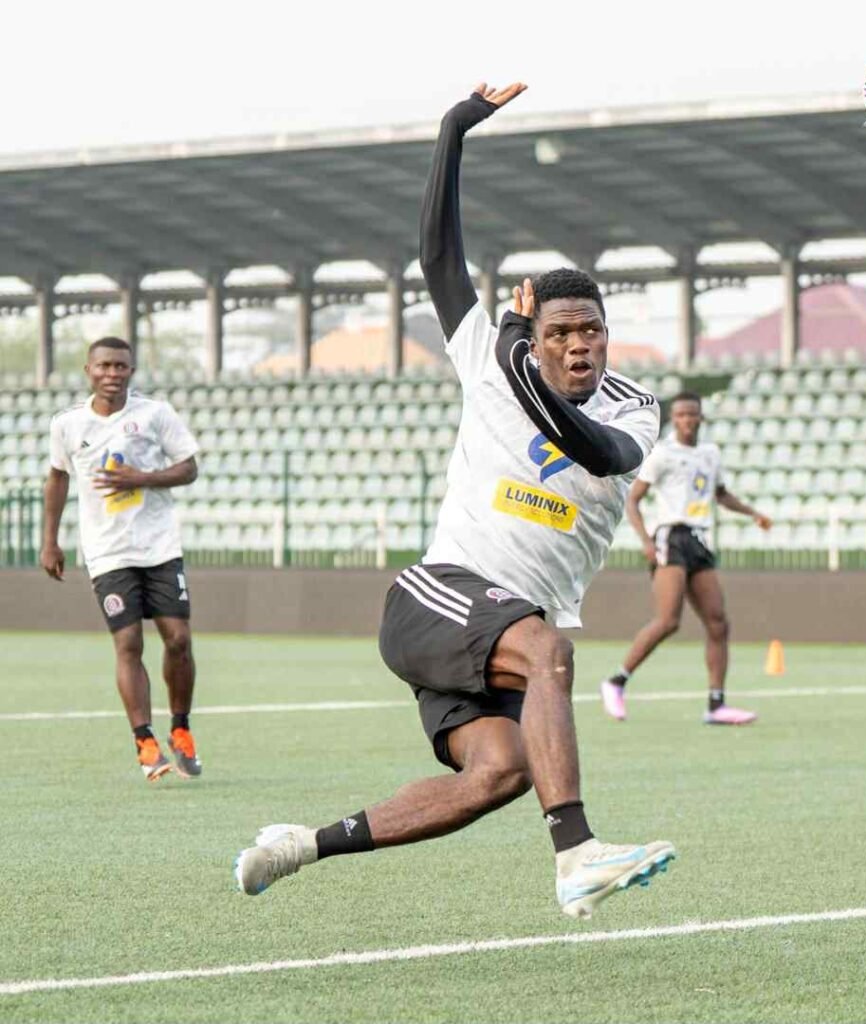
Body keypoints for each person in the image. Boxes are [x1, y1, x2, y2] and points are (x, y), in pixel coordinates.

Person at [234, 82, 674, 919]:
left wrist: (515, 351)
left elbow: (595, 450)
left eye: (590, 330)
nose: (578, 345)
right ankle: (577, 853)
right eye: (558, 333)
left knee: (500, 774)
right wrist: (453, 130)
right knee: (548, 652)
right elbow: (438, 256)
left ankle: (300, 845)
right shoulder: (489, 354)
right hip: (440, 597)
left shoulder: (632, 407)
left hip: (498, 626)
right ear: (535, 336)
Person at [41, 336, 202, 781]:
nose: (112, 373)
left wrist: (142, 478)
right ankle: (145, 741)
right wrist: (50, 541)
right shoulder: (68, 424)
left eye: (120, 366)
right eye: (104, 366)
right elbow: (57, 478)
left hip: (160, 547)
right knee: (128, 643)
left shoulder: (155, 414)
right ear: (88, 370)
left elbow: (189, 467)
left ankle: (181, 729)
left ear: (131, 370)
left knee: (178, 640)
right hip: (108, 552)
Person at [599, 393, 772, 725]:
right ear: (674, 419)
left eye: (692, 414)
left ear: (701, 418)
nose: (687, 420)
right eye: (680, 415)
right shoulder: (663, 454)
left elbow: (720, 494)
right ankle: (616, 682)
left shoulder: (710, 454)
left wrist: (753, 514)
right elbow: (633, 500)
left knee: (718, 622)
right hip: (671, 537)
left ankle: (716, 704)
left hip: (698, 538)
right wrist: (646, 541)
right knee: (668, 620)